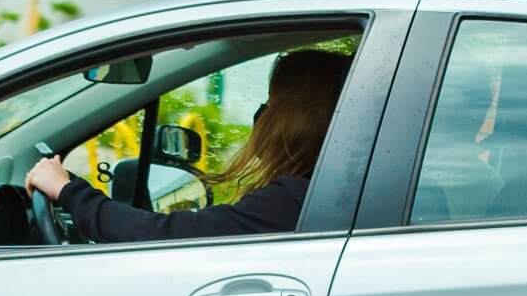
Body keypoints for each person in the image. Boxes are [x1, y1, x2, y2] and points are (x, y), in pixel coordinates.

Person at [25, 49, 352, 243]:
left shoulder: (296, 200)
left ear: (296, 119)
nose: (261, 116)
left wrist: (68, 192)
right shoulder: (323, 196)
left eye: (272, 105)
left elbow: (166, 236)